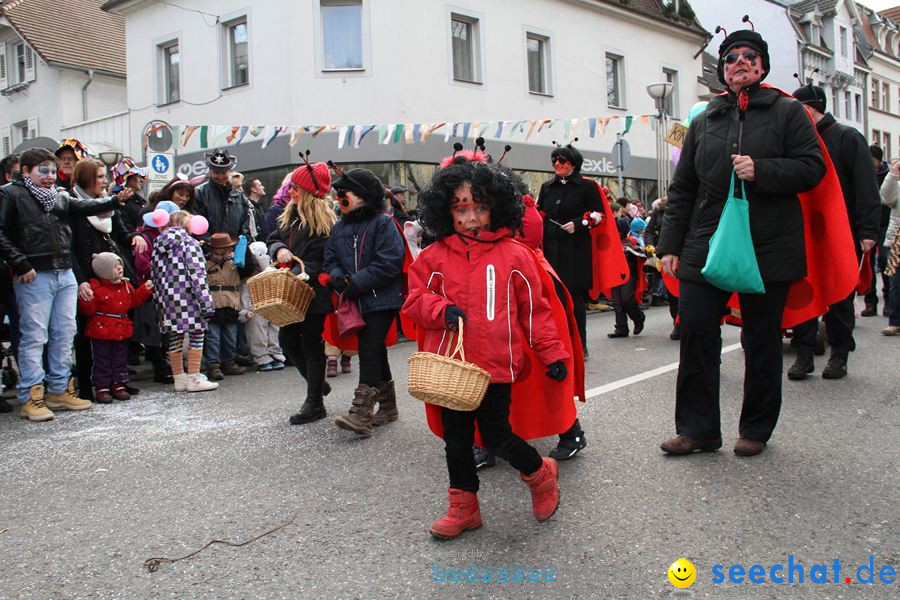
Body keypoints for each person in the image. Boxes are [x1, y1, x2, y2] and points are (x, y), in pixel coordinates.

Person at [656, 28, 826, 457]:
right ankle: (698, 430)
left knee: (761, 338)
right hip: (705, 240)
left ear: (762, 65)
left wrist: (762, 170)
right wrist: (670, 245)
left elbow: (813, 168)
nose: (740, 62)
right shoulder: (704, 120)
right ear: (723, 70)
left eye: (750, 56)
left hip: (768, 243)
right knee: (695, 330)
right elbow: (683, 189)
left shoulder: (788, 112)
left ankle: (755, 428)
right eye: (731, 57)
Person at [404, 160, 567, 539]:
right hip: (452, 368)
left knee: (496, 436)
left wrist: (551, 351)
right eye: (462, 209)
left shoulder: (516, 255)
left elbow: (535, 309)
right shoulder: (433, 256)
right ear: (447, 211)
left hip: (498, 365)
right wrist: (441, 309)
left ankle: (540, 474)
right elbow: (413, 299)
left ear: (495, 207)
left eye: (479, 207)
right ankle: (464, 508)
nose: (472, 217)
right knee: (456, 440)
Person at [0, 148, 130, 421]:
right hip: (35, 272)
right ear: (26, 172)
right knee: (35, 336)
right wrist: (21, 263)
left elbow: (82, 206)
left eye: (51, 170)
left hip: (64, 271)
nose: (49, 176)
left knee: (65, 332)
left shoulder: (59, 194)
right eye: (42, 171)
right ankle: (30, 395)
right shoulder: (10, 193)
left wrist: (115, 201)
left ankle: (59, 389)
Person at [786, 84, 880, 380]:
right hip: (802, 234)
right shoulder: (795, 142)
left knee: (839, 295)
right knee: (802, 294)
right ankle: (804, 353)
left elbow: (866, 187)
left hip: (841, 231)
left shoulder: (847, 138)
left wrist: (867, 231)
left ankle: (839, 353)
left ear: (809, 111)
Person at [322, 168, 406, 437]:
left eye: (344, 193)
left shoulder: (383, 222)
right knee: (375, 349)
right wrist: (338, 278)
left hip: (382, 298)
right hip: (356, 296)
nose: (339, 198)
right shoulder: (339, 226)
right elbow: (331, 257)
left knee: (369, 348)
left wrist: (356, 282)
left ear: (363, 196)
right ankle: (389, 407)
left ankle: (361, 413)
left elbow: (390, 261)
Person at [70, 158, 147, 400]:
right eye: (100, 177)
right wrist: (81, 279)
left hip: (114, 274)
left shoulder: (110, 206)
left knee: (119, 331)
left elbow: (121, 232)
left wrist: (134, 236)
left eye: (104, 176)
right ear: (86, 179)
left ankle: (118, 380)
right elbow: (70, 248)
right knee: (88, 335)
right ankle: (88, 386)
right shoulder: (73, 205)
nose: (105, 182)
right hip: (90, 276)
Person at [266, 162, 337, 424]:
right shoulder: (290, 215)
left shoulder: (327, 222)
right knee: (287, 341)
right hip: (292, 291)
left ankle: (315, 403)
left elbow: (329, 259)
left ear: (308, 191)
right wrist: (278, 249)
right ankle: (316, 384)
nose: (291, 191)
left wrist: (302, 269)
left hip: (315, 292)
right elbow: (273, 237)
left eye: (296, 187)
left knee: (309, 344)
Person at [537, 142, 603, 358]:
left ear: (573, 163)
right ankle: (556, 344)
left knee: (573, 299)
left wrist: (579, 223)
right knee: (553, 298)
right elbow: (540, 212)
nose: (557, 163)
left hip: (575, 251)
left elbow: (598, 215)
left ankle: (579, 344)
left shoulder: (588, 186)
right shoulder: (547, 187)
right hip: (550, 250)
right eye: (555, 159)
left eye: (562, 160)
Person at [151, 211, 218, 393]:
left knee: (175, 337)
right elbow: (197, 274)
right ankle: (194, 378)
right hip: (189, 297)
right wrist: (206, 301)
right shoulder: (189, 243)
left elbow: (155, 276)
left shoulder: (158, 245)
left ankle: (179, 378)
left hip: (168, 299)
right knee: (197, 335)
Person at [78, 252, 154, 403]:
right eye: (115, 267)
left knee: (120, 359)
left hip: (121, 330)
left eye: (120, 266)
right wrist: (86, 301)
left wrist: (144, 290)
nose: (120, 269)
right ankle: (102, 387)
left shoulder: (125, 285)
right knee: (102, 360)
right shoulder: (96, 287)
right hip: (101, 331)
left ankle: (119, 384)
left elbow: (134, 302)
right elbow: (89, 310)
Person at [203, 233, 247, 380]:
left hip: (230, 303)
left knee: (230, 336)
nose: (220, 256)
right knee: (213, 337)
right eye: (217, 253)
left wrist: (242, 249)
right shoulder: (205, 262)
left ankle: (229, 362)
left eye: (224, 252)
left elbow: (250, 267)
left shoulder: (236, 262)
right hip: (212, 303)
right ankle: (213, 365)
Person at [194, 149, 250, 239]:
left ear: (229, 171)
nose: (220, 177)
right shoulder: (199, 194)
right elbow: (196, 227)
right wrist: (215, 247)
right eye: (216, 172)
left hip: (235, 250)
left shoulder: (240, 197)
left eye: (224, 172)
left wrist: (240, 246)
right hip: (209, 250)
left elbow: (245, 227)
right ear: (210, 170)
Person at [608, 218, 647, 338]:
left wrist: (646, 251)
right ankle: (621, 328)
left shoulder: (631, 242)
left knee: (627, 300)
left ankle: (638, 317)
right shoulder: (610, 242)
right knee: (617, 302)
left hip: (629, 274)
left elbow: (642, 253)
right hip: (614, 274)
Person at [868, 145, 891, 316]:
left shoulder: (888, 174)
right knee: (867, 264)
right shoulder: (865, 172)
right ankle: (870, 302)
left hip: (884, 223)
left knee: (884, 260)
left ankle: (888, 299)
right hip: (869, 222)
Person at [881, 160, 900, 336]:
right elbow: (885, 198)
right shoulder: (896, 178)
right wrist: (893, 174)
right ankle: (895, 321)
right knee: (895, 282)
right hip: (898, 239)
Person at [111, 158, 150, 231]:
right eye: (138, 176)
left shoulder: (137, 200)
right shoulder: (120, 201)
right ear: (127, 179)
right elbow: (125, 228)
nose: (141, 180)